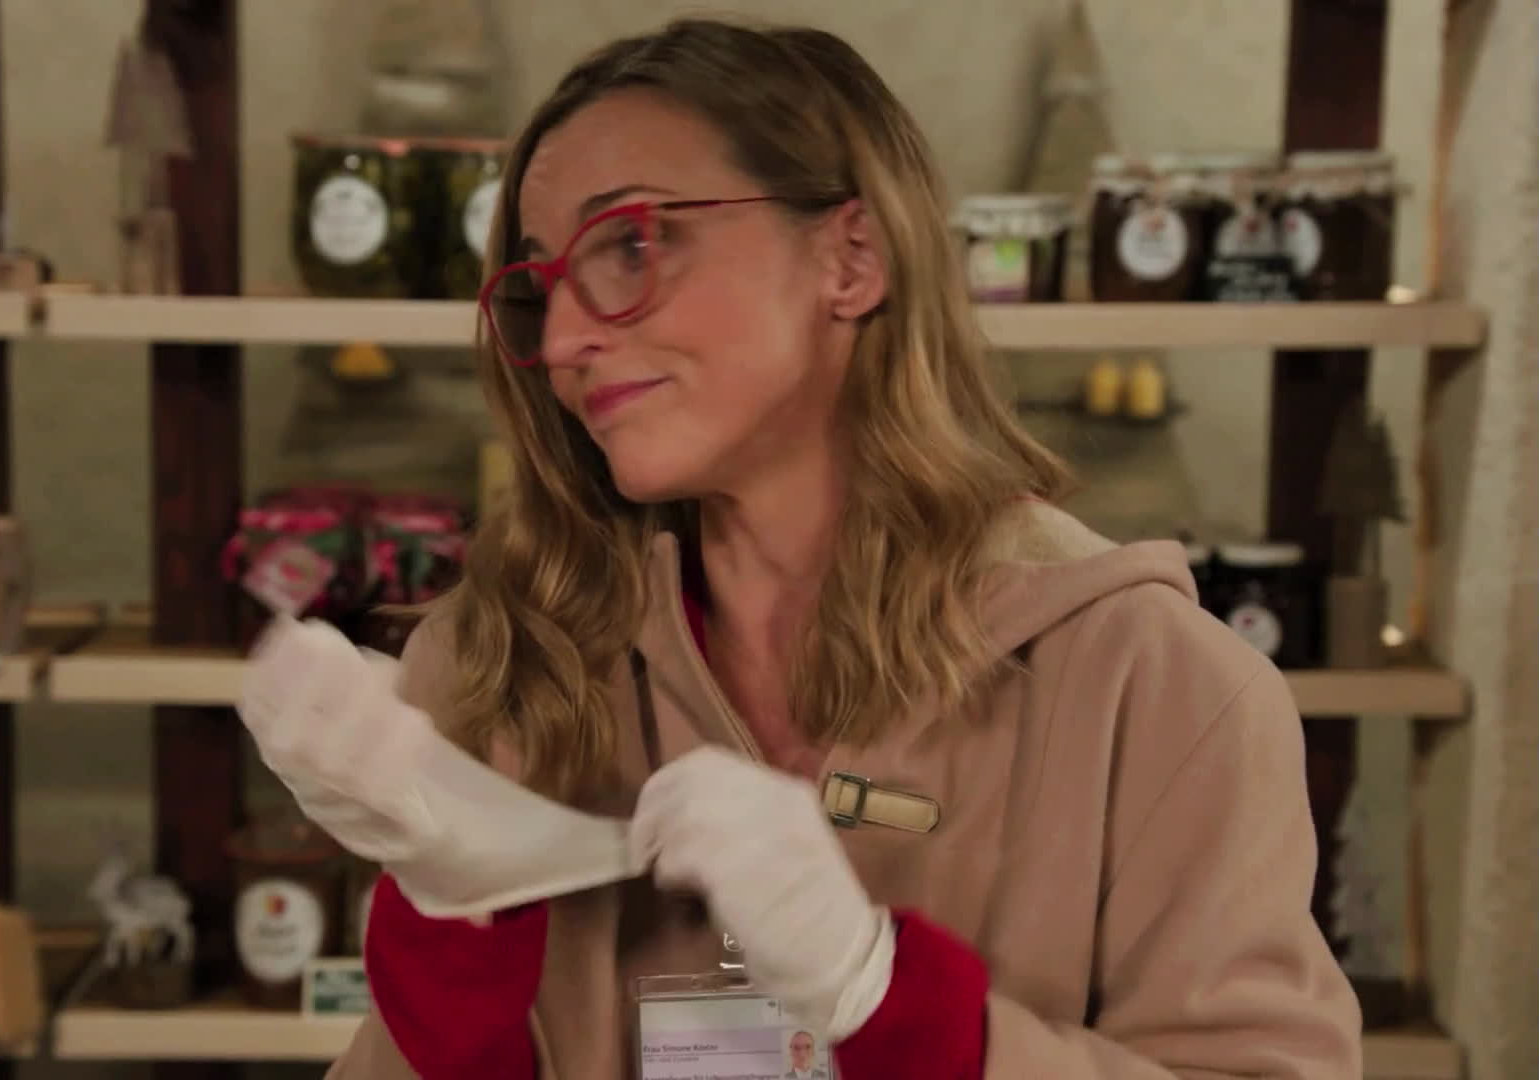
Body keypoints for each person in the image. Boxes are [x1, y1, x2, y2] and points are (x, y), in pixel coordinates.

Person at [239, 16, 1363, 1079]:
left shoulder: (1153, 687)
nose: (569, 337)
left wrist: (887, 1000)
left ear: (851, 258)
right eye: (540, 286)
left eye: (632, 243)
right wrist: (446, 936)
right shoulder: (496, 665)